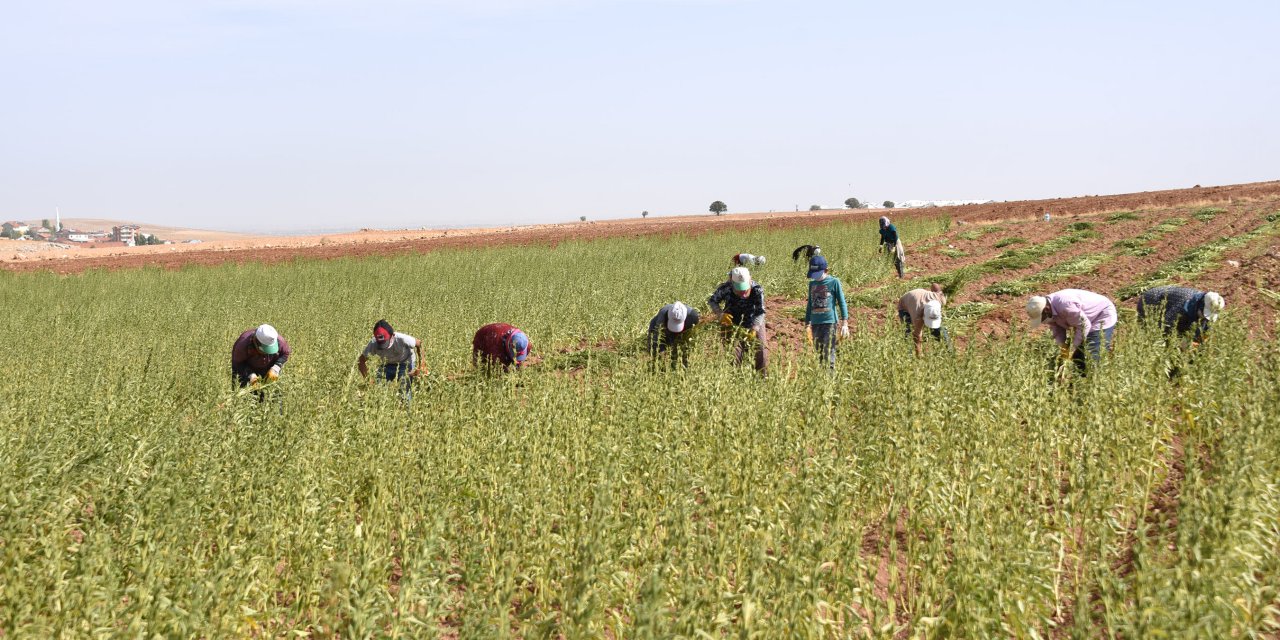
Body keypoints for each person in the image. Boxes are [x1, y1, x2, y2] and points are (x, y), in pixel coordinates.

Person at [1026, 289, 1117, 371]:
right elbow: (1057, 329)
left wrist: (1072, 349)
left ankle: (1095, 379)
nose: (1043, 322)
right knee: (1077, 356)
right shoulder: (1048, 309)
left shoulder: (1066, 306)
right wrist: (1063, 348)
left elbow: (1084, 326)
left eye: (1042, 318)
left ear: (1046, 309)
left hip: (1101, 315)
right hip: (1082, 321)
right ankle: (1076, 380)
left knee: (1091, 357)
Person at [708, 266, 768, 376]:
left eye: (745, 287)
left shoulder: (757, 290)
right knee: (734, 353)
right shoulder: (726, 288)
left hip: (753, 321)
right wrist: (720, 314)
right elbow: (712, 301)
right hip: (731, 323)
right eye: (739, 288)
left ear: (750, 280)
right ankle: (735, 379)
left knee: (761, 350)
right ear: (732, 282)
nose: (743, 292)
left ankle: (761, 378)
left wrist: (755, 328)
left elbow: (760, 311)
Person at [357, 319, 424, 398]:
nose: (384, 347)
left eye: (385, 342)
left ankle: (406, 408)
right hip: (387, 364)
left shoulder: (402, 338)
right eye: (380, 344)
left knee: (405, 392)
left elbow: (419, 344)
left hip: (405, 363)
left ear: (392, 336)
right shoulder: (374, 343)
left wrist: (421, 365)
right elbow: (361, 361)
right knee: (377, 391)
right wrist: (368, 379)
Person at [803, 255, 849, 367]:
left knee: (829, 352)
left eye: (817, 274)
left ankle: (830, 378)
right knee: (819, 353)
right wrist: (807, 323)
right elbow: (810, 304)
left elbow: (842, 302)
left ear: (826, 270)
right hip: (815, 324)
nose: (815, 277)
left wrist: (845, 323)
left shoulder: (834, 282)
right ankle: (821, 379)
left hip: (830, 323)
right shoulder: (812, 284)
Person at [1136, 286, 1225, 343]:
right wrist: (1180, 344)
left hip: (1170, 306)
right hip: (1150, 301)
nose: (1205, 317)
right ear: (1201, 305)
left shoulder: (1205, 306)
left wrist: (1201, 340)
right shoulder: (1184, 302)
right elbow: (1166, 325)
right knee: (1155, 337)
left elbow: (1205, 330)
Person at [231, 324, 291, 400]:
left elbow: (285, 353)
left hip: (269, 369)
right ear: (256, 342)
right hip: (245, 369)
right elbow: (238, 364)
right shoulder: (242, 345)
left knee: (274, 399)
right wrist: (251, 375)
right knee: (244, 400)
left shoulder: (279, 340)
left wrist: (275, 368)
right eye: (265, 350)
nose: (267, 354)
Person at [897, 284, 949, 356]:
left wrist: (931, 292)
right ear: (923, 314)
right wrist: (919, 354)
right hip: (904, 305)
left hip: (919, 296)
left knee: (939, 329)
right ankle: (909, 356)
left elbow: (935, 285)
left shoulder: (941, 299)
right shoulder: (917, 314)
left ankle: (949, 352)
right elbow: (917, 335)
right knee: (908, 331)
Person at [648, 301, 701, 369]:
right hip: (658, 325)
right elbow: (657, 339)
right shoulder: (662, 316)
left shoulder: (693, 316)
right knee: (654, 348)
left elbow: (694, 336)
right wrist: (663, 356)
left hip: (686, 325)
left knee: (680, 346)